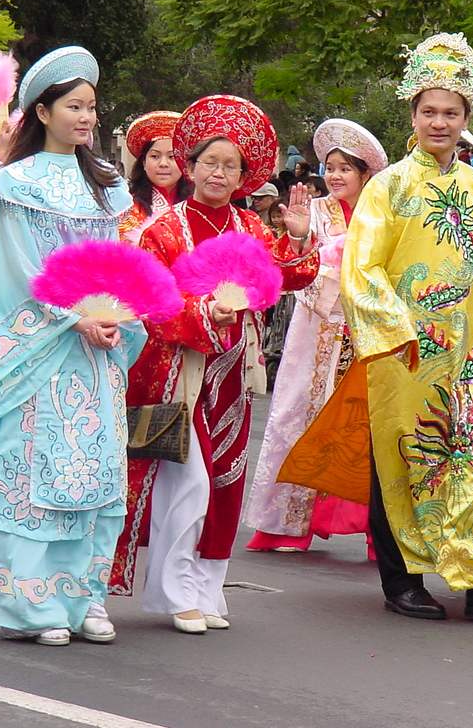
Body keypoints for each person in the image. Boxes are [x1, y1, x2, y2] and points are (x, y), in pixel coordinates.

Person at [280, 33, 473, 622]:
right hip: (406, 351)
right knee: (404, 455)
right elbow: (361, 267)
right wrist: (395, 332)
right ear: (413, 115)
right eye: (428, 111)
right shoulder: (388, 186)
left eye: (450, 113)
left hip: (469, 349)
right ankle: (402, 580)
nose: (438, 122)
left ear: (466, 117)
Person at [0, 46, 146, 646]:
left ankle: (87, 596)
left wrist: (116, 313)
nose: (87, 117)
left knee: (96, 469)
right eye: (74, 105)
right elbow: (21, 270)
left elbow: (116, 261)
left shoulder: (106, 185)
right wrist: (77, 320)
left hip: (97, 356)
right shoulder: (14, 184)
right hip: (42, 349)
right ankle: (34, 600)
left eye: (92, 106)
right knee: (31, 471)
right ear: (41, 111)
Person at [109, 94, 319, 633]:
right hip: (179, 369)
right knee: (189, 481)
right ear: (190, 165)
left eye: (230, 166)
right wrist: (207, 310)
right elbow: (152, 302)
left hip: (236, 373)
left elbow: (290, 277)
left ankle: (208, 589)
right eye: (210, 162)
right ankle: (175, 591)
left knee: (227, 482)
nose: (219, 173)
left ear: (244, 174)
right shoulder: (164, 231)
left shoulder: (251, 228)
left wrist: (295, 237)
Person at [244, 118, 387, 555]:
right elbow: (291, 272)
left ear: (366, 174)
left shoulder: (382, 214)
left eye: (347, 167)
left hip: (367, 331)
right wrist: (300, 237)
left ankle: (376, 526)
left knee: (368, 426)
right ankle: (286, 524)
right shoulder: (314, 212)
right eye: (331, 166)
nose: (337, 175)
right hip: (316, 330)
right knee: (296, 416)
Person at [120, 110, 187, 246]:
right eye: (155, 156)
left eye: (171, 157)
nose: (163, 164)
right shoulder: (126, 207)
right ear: (144, 163)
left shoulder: (195, 205)